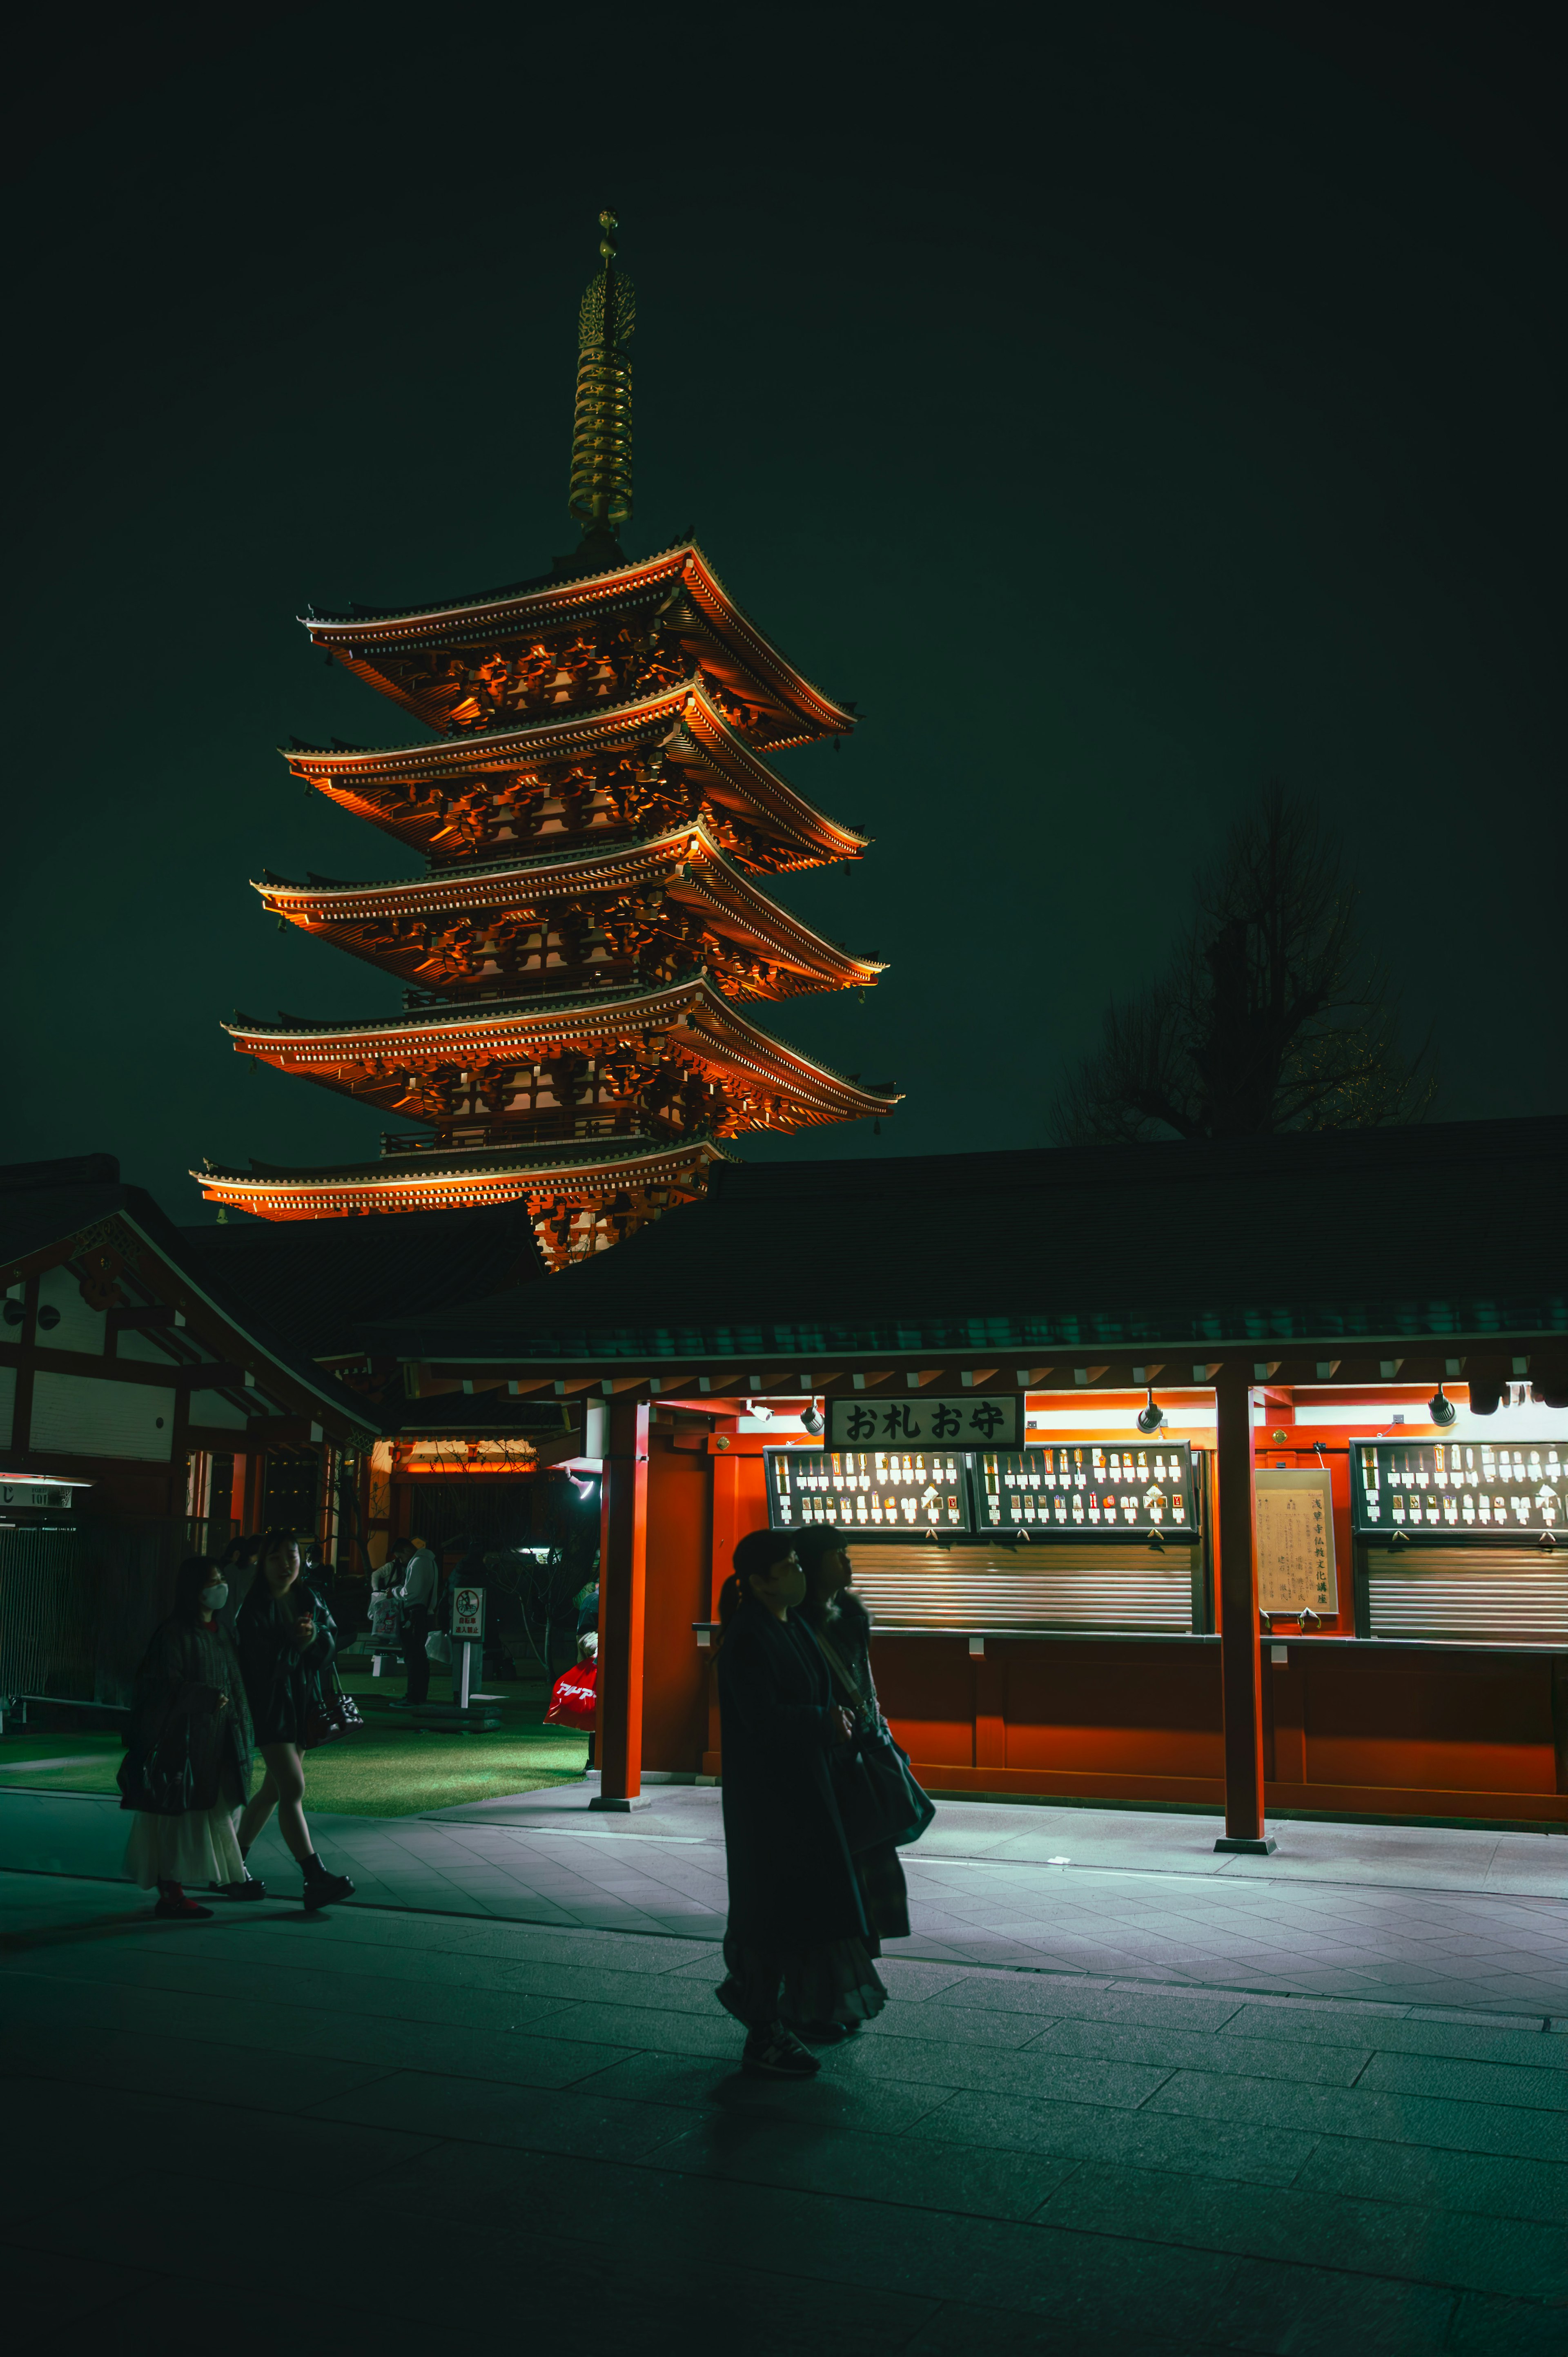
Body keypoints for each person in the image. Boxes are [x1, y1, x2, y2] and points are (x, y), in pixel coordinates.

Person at [713, 1527, 886, 2079]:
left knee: (797, 1907)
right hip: (769, 1800)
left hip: (805, 1789)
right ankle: (764, 2027)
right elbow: (760, 1717)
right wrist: (821, 1721)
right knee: (773, 1912)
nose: (797, 1570)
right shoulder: (748, 1636)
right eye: (786, 1564)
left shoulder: (788, 1626)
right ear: (760, 1580)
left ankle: (783, 2013)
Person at [118, 1556, 264, 1918]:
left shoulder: (222, 1632)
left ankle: (223, 1874)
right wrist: (203, 1697)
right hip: (185, 1747)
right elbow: (160, 1687)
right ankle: (172, 1892)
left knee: (223, 1807)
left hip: (224, 1741)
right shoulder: (175, 1634)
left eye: (220, 1580)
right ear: (194, 1591)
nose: (221, 1588)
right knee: (178, 1819)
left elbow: (236, 1683)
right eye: (213, 1582)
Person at [794, 1522, 912, 1953]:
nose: (848, 1561)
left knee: (868, 1857)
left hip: (860, 1752)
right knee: (847, 1865)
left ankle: (862, 1950)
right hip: (830, 1765)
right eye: (837, 1554)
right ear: (810, 1564)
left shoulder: (851, 1615)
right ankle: (850, 1958)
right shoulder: (795, 1625)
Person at [235, 1527, 355, 1910]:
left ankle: (229, 1867)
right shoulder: (253, 1608)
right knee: (292, 1789)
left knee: (273, 1791)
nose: (286, 1564)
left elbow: (331, 1643)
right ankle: (313, 1875)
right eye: (275, 1557)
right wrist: (296, 1644)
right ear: (262, 1563)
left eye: (292, 1555)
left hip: (303, 1705)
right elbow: (256, 1666)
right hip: (272, 1708)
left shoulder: (310, 1598)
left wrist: (313, 1637)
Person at [396, 1531, 441, 1706]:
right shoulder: (430, 1561)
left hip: (415, 1617)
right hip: (425, 1614)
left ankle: (414, 1697)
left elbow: (411, 1593)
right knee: (420, 1658)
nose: (401, 1562)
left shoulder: (419, 1562)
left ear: (407, 1551)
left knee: (414, 1658)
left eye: (400, 1557)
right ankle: (417, 1695)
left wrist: (394, 1592)